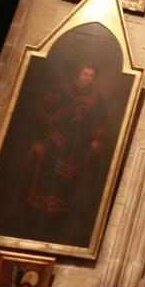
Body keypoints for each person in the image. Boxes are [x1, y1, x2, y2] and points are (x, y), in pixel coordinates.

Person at [26, 63, 108, 224]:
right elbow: (42, 114)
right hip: (54, 142)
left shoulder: (97, 99)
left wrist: (96, 140)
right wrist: (38, 139)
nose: (87, 78)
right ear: (78, 73)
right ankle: (35, 214)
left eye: (91, 75)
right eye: (85, 74)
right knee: (46, 177)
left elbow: (101, 121)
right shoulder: (60, 91)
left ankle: (56, 219)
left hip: (79, 147)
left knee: (67, 184)